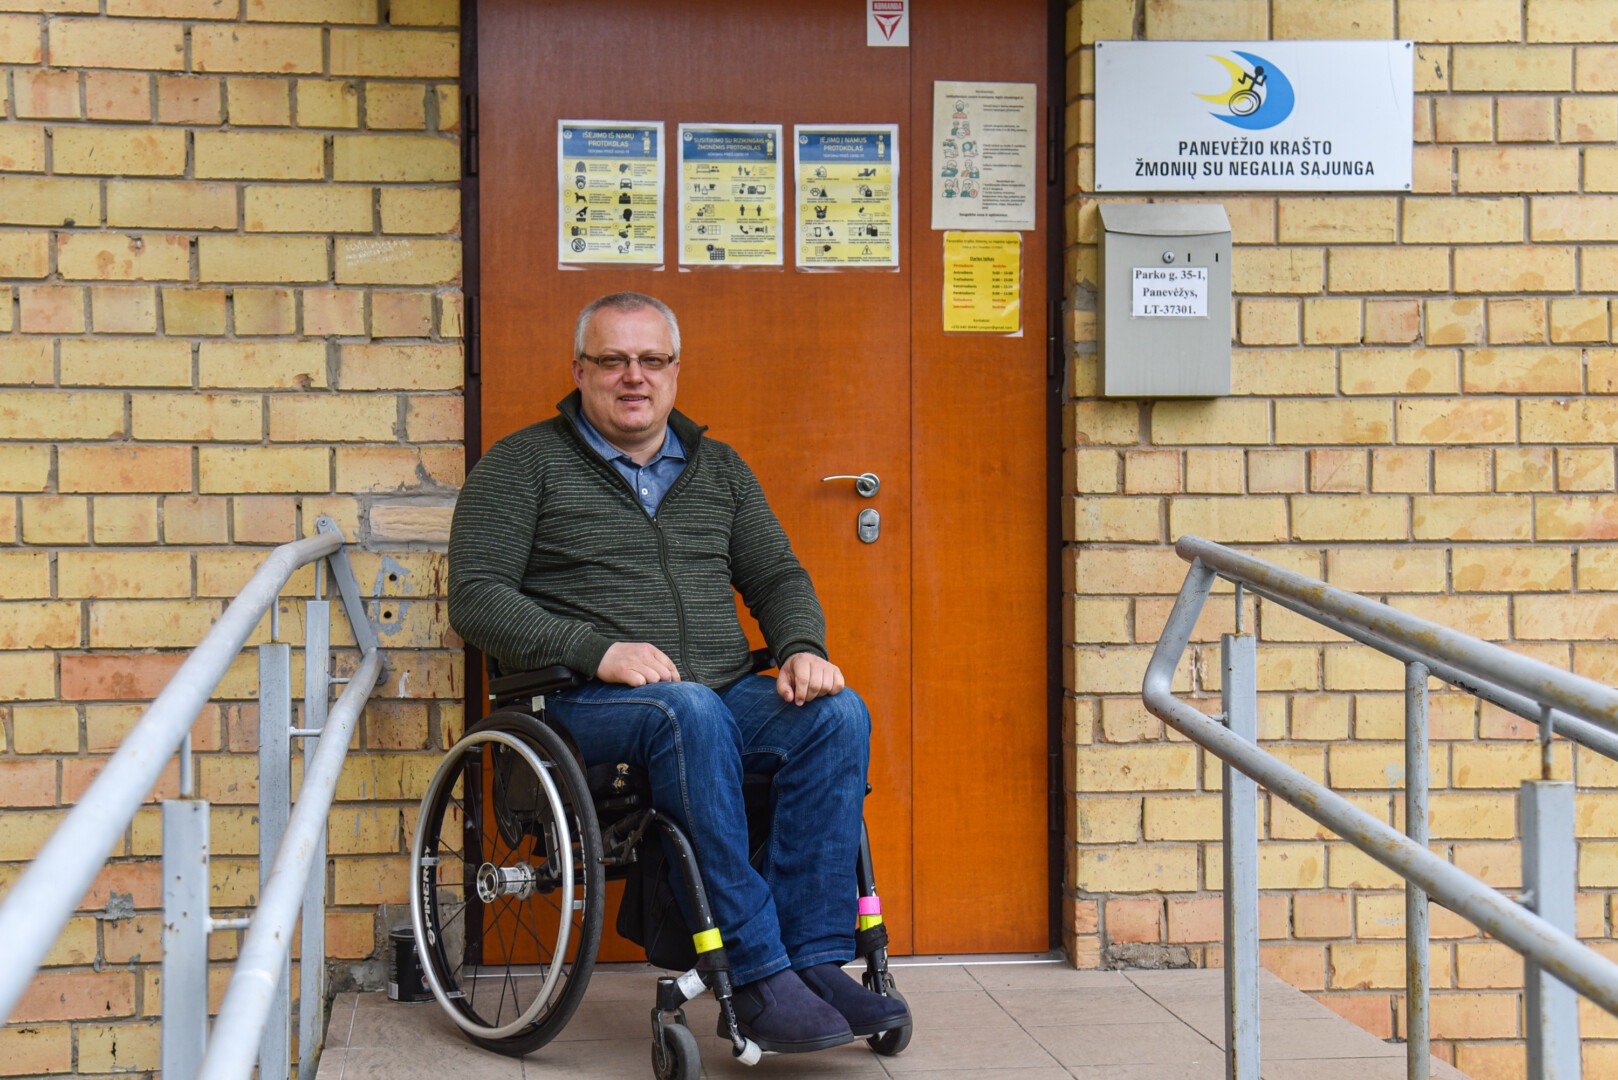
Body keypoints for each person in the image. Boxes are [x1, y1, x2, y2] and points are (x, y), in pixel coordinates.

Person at [447, 291, 909, 1053]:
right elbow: (475, 598)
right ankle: (757, 970)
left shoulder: (719, 469)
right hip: (583, 701)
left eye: (651, 359)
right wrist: (597, 649)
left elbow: (778, 576)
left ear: (674, 370)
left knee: (836, 713)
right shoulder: (522, 465)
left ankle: (814, 959)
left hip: (715, 696)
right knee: (687, 708)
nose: (634, 376)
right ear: (580, 371)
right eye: (613, 360)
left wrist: (802, 647)